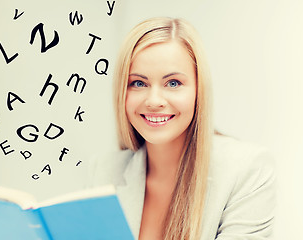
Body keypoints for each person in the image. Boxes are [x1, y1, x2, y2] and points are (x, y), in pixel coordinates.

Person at [86, 17, 275, 240]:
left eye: (173, 83)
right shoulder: (105, 171)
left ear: (198, 91)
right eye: (138, 83)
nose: (154, 101)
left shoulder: (246, 170)